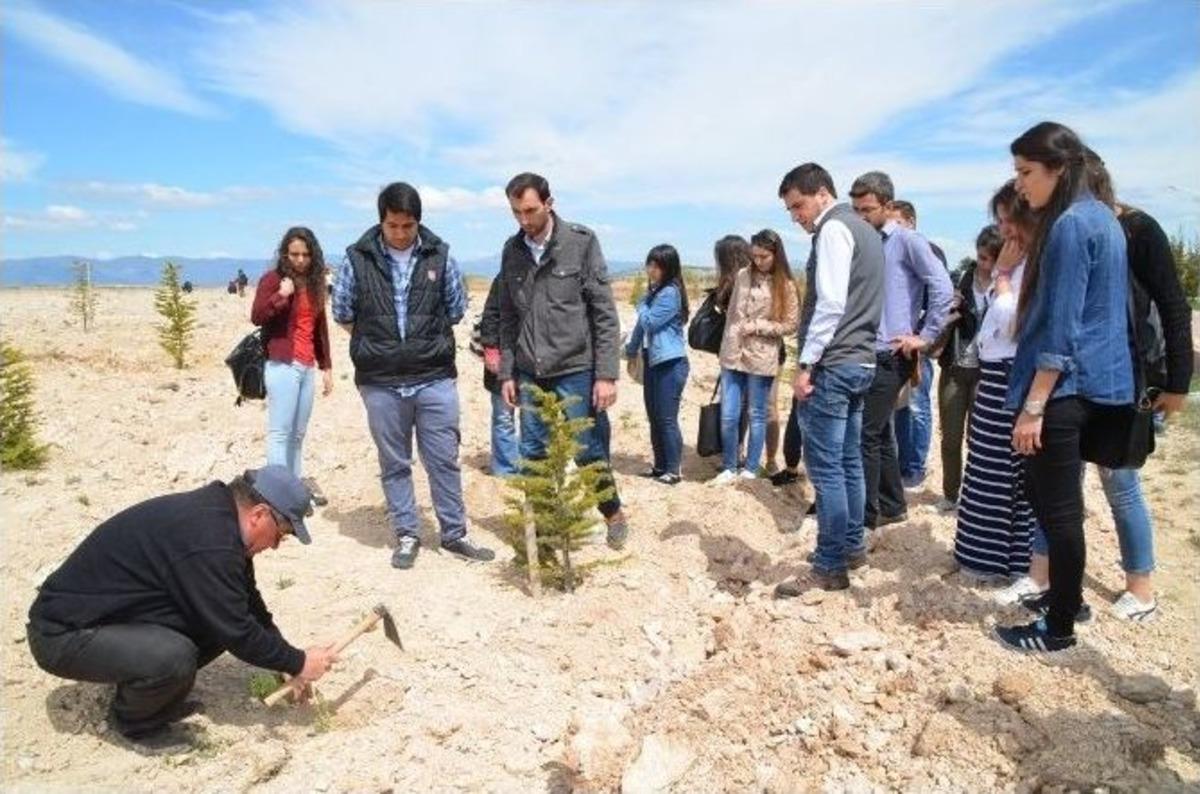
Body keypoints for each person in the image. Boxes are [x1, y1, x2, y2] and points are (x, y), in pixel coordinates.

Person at [998, 149, 1194, 623]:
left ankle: (1140, 587)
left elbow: (1171, 302)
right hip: (1069, 377)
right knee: (1058, 485)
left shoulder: (1136, 228)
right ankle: (1043, 576)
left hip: (1120, 376)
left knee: (1119, 482)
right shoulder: (1062, 227)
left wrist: (1178, 380)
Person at [26, 466, 336, 743]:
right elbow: (238, 630)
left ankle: (146, 686)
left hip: (107, 619)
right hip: (62, 635)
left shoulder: (221, 521)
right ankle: (135, 722)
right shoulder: (210, 541)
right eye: (280, 534)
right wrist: (299, 662)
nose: (276, 545)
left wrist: (284, 660)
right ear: (258, 514)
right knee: (175, 657)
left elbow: (247, 605)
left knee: (214, 621)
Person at [995, 122, 1133, 653]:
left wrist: (1034, 405)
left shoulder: (1073, 225)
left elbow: (1062, 324)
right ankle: (1066, 600)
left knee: (1057, 509)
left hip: (1063, 389)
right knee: (1058, 503)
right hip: (1093, 384)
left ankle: (1059, 628)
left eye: (1027, 173)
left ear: (1059, 168)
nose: (1022, 185)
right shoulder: (1104, 218)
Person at [333, 182, 494, 570]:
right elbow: (342, 311)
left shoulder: (441, 256)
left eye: (408, 226)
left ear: (418, 222)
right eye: (393, 226)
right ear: (381, 222)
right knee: (394, 461)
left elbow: (455, 309)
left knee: (443, 458)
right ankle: (407, 533)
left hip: (434, 377)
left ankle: (455, 534)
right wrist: (380, 344)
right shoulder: (357, 259)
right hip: (380, 382)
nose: (401, 234)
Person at [495, 172, 630, 549]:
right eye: (516, 212)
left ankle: (613, 514)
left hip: (576, 368)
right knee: (533, 452)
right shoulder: (512, 251)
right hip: (529, 370)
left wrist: (606, 374)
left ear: (549, 203)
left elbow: (603, 312)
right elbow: (508, 317)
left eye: (530, 211)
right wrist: (507, 372)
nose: (524, 220)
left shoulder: (580, 244)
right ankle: (544, 528)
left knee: (587, 448)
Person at [772, 162, 884, 594]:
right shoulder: (866, 230)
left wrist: (806, 364)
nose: (797, 216)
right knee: (850, 460)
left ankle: (829, 564)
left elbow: (832, 304)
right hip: (861, 363)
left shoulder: (835, 230)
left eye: (798, 205)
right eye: (790, 210)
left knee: (827, 470)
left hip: (834, 366)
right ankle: (851, 545)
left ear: (821, 193)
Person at [848, 172, 953, 530]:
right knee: (877, 433)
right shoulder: (865, 243)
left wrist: (925, 335)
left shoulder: (907, 241)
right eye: (856, 209)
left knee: (865, 432)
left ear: (889, 206)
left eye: (868, 209)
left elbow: (942, 286)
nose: (861, 215)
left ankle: (866, 516)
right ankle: (893, 504)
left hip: (892, 354)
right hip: (865, 350)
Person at [953, 189, 1036, 580]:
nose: (1002, 229)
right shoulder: (1015, 261)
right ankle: (982, 557)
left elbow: (1012, 323)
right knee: (987, 466)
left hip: (1012, 374)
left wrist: (1002, 277)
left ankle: (1010, 563)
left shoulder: (1032, 263)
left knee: (1007, 473)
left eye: (1008, 220)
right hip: (996, 374)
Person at [251, 227, 333, 505]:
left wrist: (327, 367)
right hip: (282, 365)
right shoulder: (273, 280)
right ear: (285, 253)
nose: (300, 260)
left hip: (307, 366)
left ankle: (295, 490)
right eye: (294, 254)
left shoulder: (314, 283)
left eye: (305, 254)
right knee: (280, 432)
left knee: (298, 434)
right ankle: (277, 496)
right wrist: (281, 295)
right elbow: (257, 316)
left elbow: (318, 327)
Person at [711, 229, 799, 485]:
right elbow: (732, 316)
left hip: (762, 355)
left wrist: (759, 326)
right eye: (754, 256)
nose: (758, 261)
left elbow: (790, 324)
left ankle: (751, 468)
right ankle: (729, 465)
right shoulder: (742, 276)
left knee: (757, 413)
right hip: (733, 353)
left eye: (764, 256)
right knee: (729, 413)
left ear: (776, 255)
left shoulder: (786, 285)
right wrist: (728, 342)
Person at [933, 225, 1000, 511]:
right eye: (982, 257)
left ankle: (977, 496)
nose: (986, 265)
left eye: (992, 259)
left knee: (980, 439)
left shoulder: (1008, 286)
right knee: (950, 437)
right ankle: (951, 494)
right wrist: (950, 309)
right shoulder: (960, 281)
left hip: (988, 373)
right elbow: (937, 318)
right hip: (956, 368)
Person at [887, 199, 947, 489]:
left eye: (896, 222)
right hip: (894, 344)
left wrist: (924, 336)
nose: (891, 228)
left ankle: (915, 468)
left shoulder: (928, 251)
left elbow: (939, 297)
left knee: (917, 407)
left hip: (916, 344)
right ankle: (901, 465)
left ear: (910, 222)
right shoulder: (887, 249)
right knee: (898, 409)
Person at [624, 244, 691, 485]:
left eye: (656, 266)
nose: (651, 270)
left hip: (670, 363)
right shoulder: (654, 292)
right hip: (653, 362)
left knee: (666, 418)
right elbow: (641, 328)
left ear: (668, 268)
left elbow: (650, 322)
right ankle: (660, 465)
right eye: (649, 264)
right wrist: (630, 350)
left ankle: (674, 470)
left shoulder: (670, 293)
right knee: (654, 416)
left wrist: (641, 304)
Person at [470, 276, 520, 477]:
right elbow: (490, 315)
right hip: (503, 357)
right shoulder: (504, 278)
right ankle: (506, 469)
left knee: (534, 417)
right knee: (503, 416)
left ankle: (533, 465)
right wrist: (491, 350)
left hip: (538, 359)